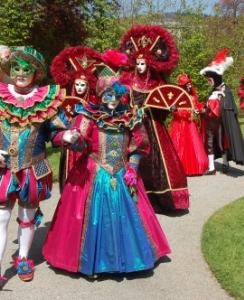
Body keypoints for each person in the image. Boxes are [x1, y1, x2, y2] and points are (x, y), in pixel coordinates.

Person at [42, 62, 171, 277]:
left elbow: (138, 147)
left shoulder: (131, 116)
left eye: (114, 95)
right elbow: (81, 145)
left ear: (121, 95)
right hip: (92, 172)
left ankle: (132, 260)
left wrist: (133, 169)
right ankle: (90, 262)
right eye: (106, 95)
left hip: (123, 174)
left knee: (130, 217)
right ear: (100, 94)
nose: (110, 100)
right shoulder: (88, 115)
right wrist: (74, 140)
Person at [0, 46, 79, 284]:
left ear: (36, 73)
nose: (21, 73)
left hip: (33, 170)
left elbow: (55, 133)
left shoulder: (46, 100)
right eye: (16, 68)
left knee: (27, 215)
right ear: (9, 69)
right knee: (1, 218)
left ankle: (23, 257)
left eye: (26, 69)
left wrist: (65, 137)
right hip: (2, 171)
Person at [118, 24, 190, 213]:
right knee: (136, 160)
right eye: (138, 63)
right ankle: (137, 198)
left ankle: (163, 201)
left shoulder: (157, 82)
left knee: (160, 162)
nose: (140, 67)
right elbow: (123, 103)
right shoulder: (128, 82)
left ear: (149, 63)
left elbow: (163, 104)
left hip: (154, 128)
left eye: (144, 63)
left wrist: (168, 107)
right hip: (134, 127)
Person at [50, 46, 103, 191]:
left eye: (83, 85)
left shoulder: (94, 104)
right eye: (77, 85)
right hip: (69, 142)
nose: (79, 88)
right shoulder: (62, 101)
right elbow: (57, 123)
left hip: (85, 144)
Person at [199, 49, 244, 174]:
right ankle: (211, 167)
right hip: (210, 123)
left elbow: (225, 108)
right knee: (209, 144)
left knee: (221, 144)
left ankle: (225, 162)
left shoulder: (225, 91)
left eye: (210, 78)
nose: (208, 81)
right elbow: (209, 107)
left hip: (220, 123)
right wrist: (202, 110)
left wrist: (215, 105)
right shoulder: (212, 91)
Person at [168, 73, 208, 175]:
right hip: (180, 125)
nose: (189, 86)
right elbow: (175, 110)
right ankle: (180, 168)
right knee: (181, 145)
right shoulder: (178, 96)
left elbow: (197, 105)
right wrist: (184, 112)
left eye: (190, 83)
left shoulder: (192, 95)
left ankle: (196, 167)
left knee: (193, 144)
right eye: (187, 84)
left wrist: (201, 109)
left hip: (191, 124)